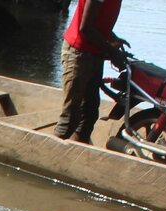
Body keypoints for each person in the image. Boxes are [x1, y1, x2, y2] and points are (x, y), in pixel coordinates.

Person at [54, 0, 128, 144]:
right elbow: (86, 27)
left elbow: (98, 23)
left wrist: (113, 40)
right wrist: (112, 52)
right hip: (78, 53)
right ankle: (50, 152)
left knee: (90, 113)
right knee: (70, 117)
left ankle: (77, 151)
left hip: (94, 52)